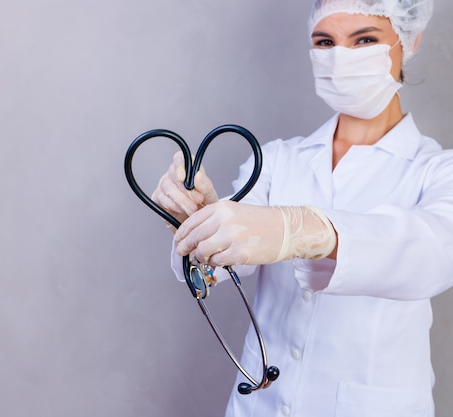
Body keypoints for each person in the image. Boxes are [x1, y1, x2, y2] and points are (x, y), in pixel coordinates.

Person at [151, 0, 453, 416]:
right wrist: (203, 225)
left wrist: (309, 230)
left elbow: (435, 252)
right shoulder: (276, 161)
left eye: (364, 39)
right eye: (325, 41)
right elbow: (220, 270)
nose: (340, 58)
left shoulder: (438, 171)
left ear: (410, 40)